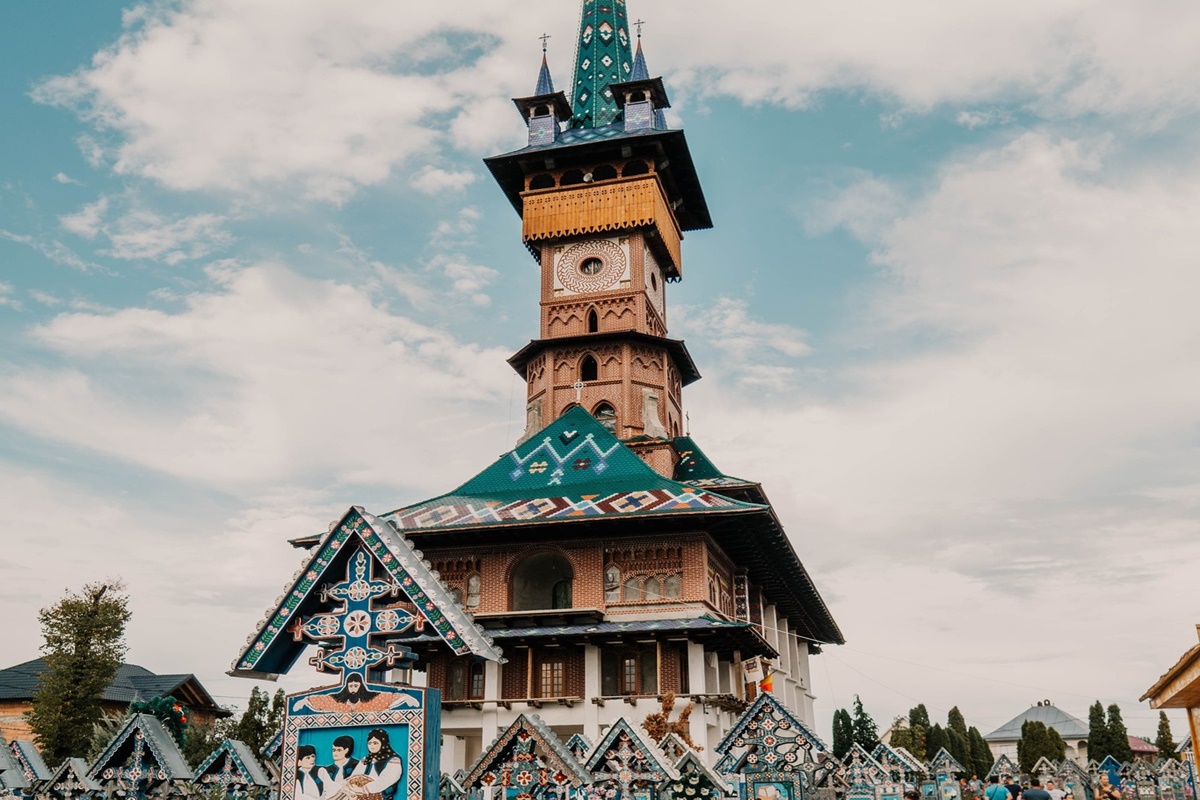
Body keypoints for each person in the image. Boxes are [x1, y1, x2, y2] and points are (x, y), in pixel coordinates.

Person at [346, 729, 403, 800]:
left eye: (375, 743)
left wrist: (363, 789)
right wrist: (352, 787)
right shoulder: (366, 759)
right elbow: (355, 775)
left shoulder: (393, 760)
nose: (371, 746)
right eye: (369, 743)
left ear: (383, 743)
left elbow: (386, 780)